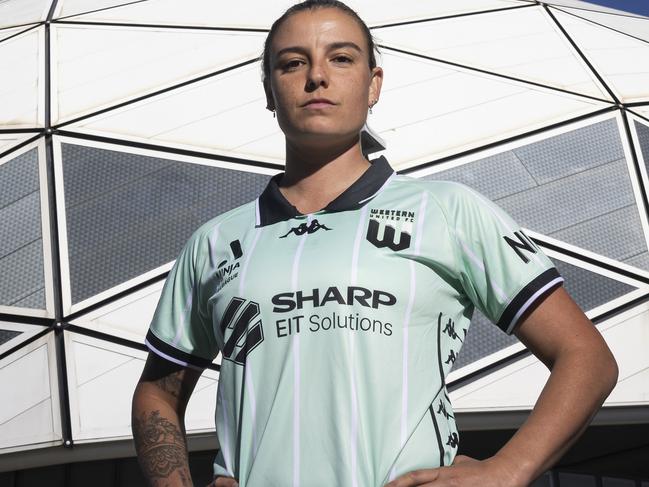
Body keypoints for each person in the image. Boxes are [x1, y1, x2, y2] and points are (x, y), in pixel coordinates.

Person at [131, 1, 619, 486]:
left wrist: (508, 469)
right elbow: (157, 393)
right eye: (292, 63)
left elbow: (586, 357)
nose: (316, 77)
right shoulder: (215, 243)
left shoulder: (446, 211)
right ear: (269, 91)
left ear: (374, 84)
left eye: (341, 58)